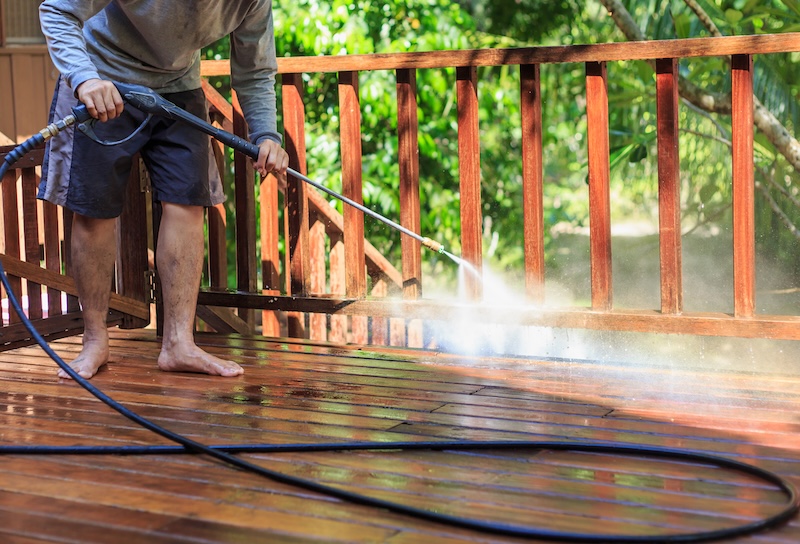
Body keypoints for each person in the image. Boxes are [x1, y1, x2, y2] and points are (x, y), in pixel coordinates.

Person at [38, 1, 289, 379]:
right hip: (102, 78)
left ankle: (178, 344)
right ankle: (94, 341)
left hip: (179, 86)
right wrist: (84, 78)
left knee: (189, 203)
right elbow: (57, 10)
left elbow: (254, 69)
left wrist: (266, 134)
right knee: (94, 210)